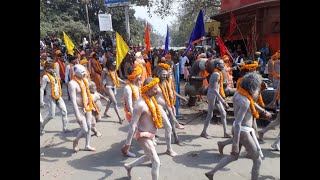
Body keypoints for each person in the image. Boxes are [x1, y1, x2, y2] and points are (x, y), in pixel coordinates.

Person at [205, 72, 270, 180]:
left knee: (233, 157)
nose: (258, 88)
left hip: (239, 129)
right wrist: (235, 144)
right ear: (252, 87)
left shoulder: (239, 93)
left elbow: (252, 101)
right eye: (257, 87)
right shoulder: (244, 101)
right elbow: (239, 122)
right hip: (243, 131)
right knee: (257, 160)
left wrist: (262, 97)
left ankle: (211, 173)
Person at [123, 77, 163, 180]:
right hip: (142, 136)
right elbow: (133, 125)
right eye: (155, 89)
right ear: (147, 89)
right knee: (156, 162)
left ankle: (129, 166)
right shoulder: (140, 104)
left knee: (147, 156)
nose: (157, 90)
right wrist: (128, 143)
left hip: (151, 135)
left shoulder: (151, 99)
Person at [200, 59, 231, 139]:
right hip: (212, 95)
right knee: (210, 114)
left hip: (215, 95)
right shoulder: (216, 74)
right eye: (222, 64)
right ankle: (204, 132)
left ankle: (225, 132)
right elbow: (214, 89)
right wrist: (223, 101)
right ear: (217, 66)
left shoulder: (217, 73)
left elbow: (216, 89)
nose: (224, 65)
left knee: (223, 113)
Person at [68, 64, 96, 152]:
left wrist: (93, 105)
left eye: (85, 72)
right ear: (76, 73)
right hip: (79, 108)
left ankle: (87, 145)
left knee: (89, 126)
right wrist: (77, 115)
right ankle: (75, 141)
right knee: (85, 128)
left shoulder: (85, 81)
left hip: (87, 106)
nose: (85, 74)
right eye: (82, 73)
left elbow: (89, 94)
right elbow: (73, 100)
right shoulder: (72, 84)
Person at [40, 60, 70, 134]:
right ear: (46, 69)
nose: (52, 69)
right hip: (50, 97)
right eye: (50, 68)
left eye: (53, 67)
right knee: (51, 115)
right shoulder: (45, 77)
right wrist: (41, 101)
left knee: (64, 111)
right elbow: (42, 89)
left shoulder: (55, 75)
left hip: (58, 96)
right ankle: (41, 127)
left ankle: (65, 128)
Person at [121, 66, 143, 157]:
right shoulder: (128, 88)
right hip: (133, 112)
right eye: (139, 75)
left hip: (140, 110)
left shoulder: (138, 84)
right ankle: (126, 149)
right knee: (133, 128)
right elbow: (129, 105)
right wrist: (135, 116)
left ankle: (126, 147)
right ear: (134, 76)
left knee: (135, 129)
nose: (141, 76)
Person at [100, 57, 126, 123]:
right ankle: (120, 118)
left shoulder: (114, 69)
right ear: (109, 64)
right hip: (108, 88)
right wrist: (102, 90)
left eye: (115, 64)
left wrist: (123, 81)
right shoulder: (105, 70)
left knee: (110, 101)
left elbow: (116, 77)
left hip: (114, 87)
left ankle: (105, 113)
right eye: (113, 64)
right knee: (115, 102)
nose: (114, 65)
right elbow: (101, 80)